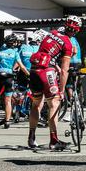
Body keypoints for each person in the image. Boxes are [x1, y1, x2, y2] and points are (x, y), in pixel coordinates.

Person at [27, 15, 81, 150]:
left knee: (36, 104)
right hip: (46, 72)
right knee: (54, 103)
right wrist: (62, 91)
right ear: (76, 31)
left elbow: (47, 54)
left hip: (34, 69)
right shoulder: (68, 43)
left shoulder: (52, 33)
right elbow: (64, 71)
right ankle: (54, 140)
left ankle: (31, 137)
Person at [0, 34, 28, 129]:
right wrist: (29, 75)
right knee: (8, 100)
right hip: (9, 77)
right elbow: (22, 66)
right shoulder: (15, 53)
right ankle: (7, 122)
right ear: (13, 43)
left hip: (0, 76)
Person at [62, 26, 83, 123]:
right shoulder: (74, 38)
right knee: (75, 86)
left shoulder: (68, 39)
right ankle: (78, 108)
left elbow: (73, 51)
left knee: (69, 86)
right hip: (78, 63)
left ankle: (73, 112)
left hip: (71, 63)